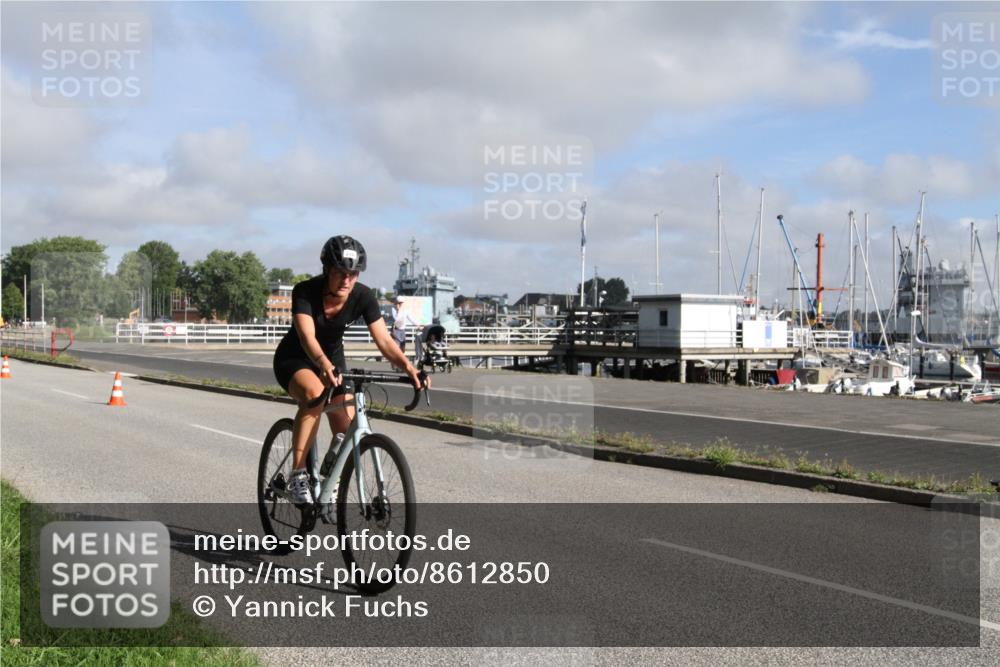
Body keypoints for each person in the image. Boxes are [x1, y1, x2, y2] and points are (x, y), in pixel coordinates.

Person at [272, 235, 427, 504]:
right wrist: (322, 364)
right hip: (296, 358)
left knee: (347, 428)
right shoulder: (306, 291)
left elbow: (384, 340)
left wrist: (408, 367)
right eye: (340, 273)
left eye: (352, 274)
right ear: (327, 271)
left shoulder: (363, 296)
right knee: (314, 394)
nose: (346, 280)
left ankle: (332, 480)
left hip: (333, 360)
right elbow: (307, 337)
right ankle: (298, 474)